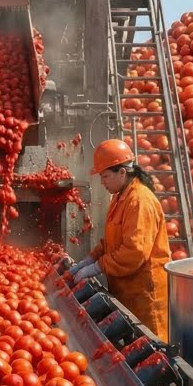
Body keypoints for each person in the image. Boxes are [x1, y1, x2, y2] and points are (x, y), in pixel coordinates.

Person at [69, 139, 170, 342]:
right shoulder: (120, 197)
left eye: (105, 176)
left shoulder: (139, 201)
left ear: (122, 172)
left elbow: (134, 253)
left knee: (151, 350)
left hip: (144, 296)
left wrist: (97, 267)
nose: (102, 182)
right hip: (127, 291)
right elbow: (112, 241)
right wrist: (89, 259)